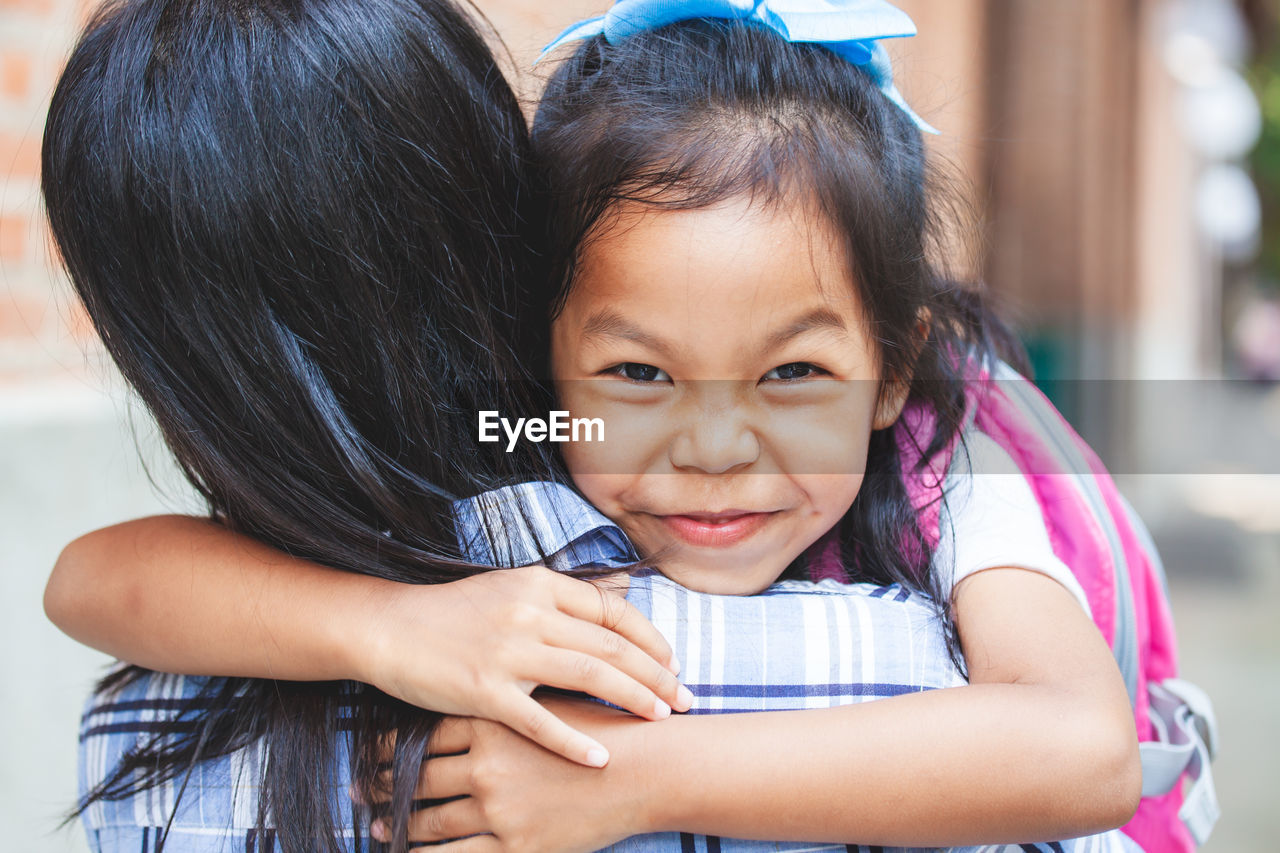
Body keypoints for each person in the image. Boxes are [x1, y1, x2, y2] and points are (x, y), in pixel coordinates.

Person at [45, 1, 1143, 851]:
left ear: (894, 368)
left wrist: (640, 775)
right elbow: (88, 581)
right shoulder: (535, 438)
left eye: (794, 371)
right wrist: (388, 625)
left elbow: (1087, 749)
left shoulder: (951, 486)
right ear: (539, 349)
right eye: (638, 371)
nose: (713, 449)